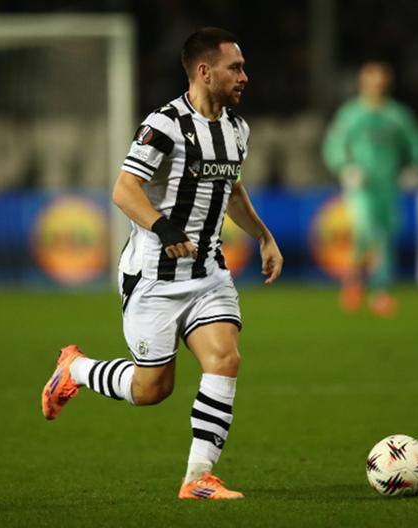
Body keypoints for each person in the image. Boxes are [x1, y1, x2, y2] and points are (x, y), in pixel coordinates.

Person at [40, 27, 283, 500]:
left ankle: (198, 478)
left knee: (225, 358)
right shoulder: (164, 125)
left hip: (208, 274)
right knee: (152, 389)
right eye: (235, 68)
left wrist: (264, 236)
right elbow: (124, 189)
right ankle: (75, 369)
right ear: (204, 72)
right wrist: (163, 228)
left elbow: (231, 190)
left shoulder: (237, 129)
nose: (244, 77)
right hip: (154, 277)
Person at [322, 61, 418, 316]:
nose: (375, 88)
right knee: (366, 231)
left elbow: (416, 143)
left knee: (386, 235)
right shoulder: (351, 114)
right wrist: (345, 167)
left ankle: (378, 289)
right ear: (363, 84)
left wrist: (414, 168)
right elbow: (334, 144)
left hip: (388, 185)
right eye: (371, 83)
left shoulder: (397, 115)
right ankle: (360, 282)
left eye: (380, 84)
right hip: (361, 185)